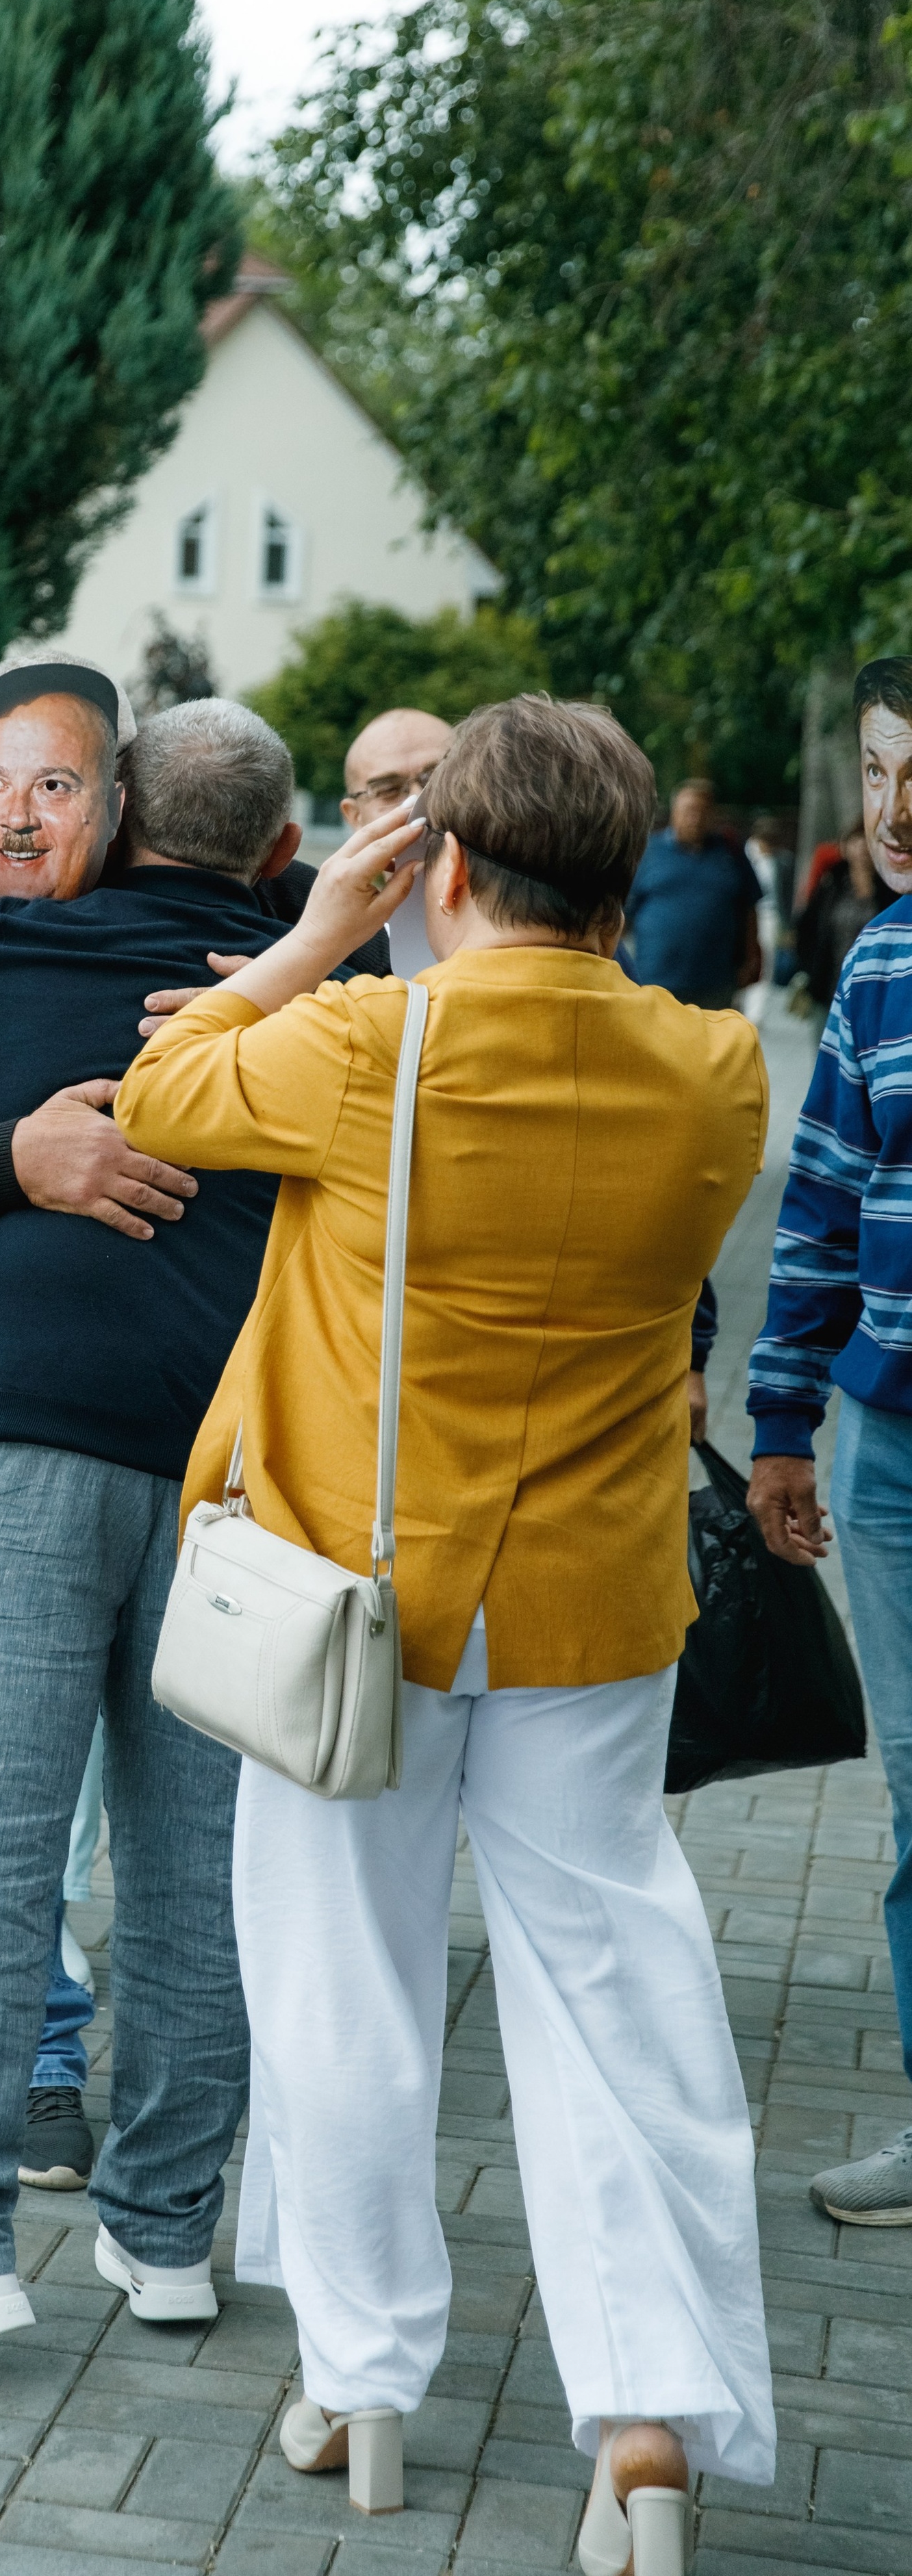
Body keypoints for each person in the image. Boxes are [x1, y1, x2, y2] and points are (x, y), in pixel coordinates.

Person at [117, 694, 774, 2564]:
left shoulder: (361, 1038)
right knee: (616, 1991)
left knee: (340, 1982)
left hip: (355, 1596)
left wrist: (319, 931)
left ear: (446, 864)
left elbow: (156, 1093)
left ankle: (364, 2378)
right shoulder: (715, 1065)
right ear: (624, 878)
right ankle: (645, 2423)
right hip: (594, 1598)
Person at [0, 672, 420, 2358]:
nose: (19, 815)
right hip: (241, 1476)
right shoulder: (327, 978)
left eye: (54, 788)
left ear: (116, 815)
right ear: (277, 841)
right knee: (199, 1872)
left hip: (34, 1445)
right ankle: (165, 2233)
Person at [747, 656, 912, 2226]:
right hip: (885, 1446)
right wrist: (781, 1420)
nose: (892, 808)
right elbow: (814, 1212)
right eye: (873, 769)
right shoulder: (876, 962)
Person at [623, 776, 763, 1006]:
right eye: (689, 811)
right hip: (655, 982)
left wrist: (751, 958)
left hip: (716, 984)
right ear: (674, 812)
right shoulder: (647, 852)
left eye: (703, 812)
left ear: (714, 815)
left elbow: (749, 908)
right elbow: (622, 913)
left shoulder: (731, 854)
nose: (695, 819)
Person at [340, 707, 453, 979]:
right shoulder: (335, 958)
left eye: (437, 778)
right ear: (354, 817)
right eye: (388, 790)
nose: (417, 801)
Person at [794, 819, 894, 1012]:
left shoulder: (892, 891)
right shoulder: (832, 885)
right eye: (856, 841)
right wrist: (809, 970)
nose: (863, 848)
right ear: (844, 847)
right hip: (829, 984)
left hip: (875, 987)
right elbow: (807, 927)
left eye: (869, 841)